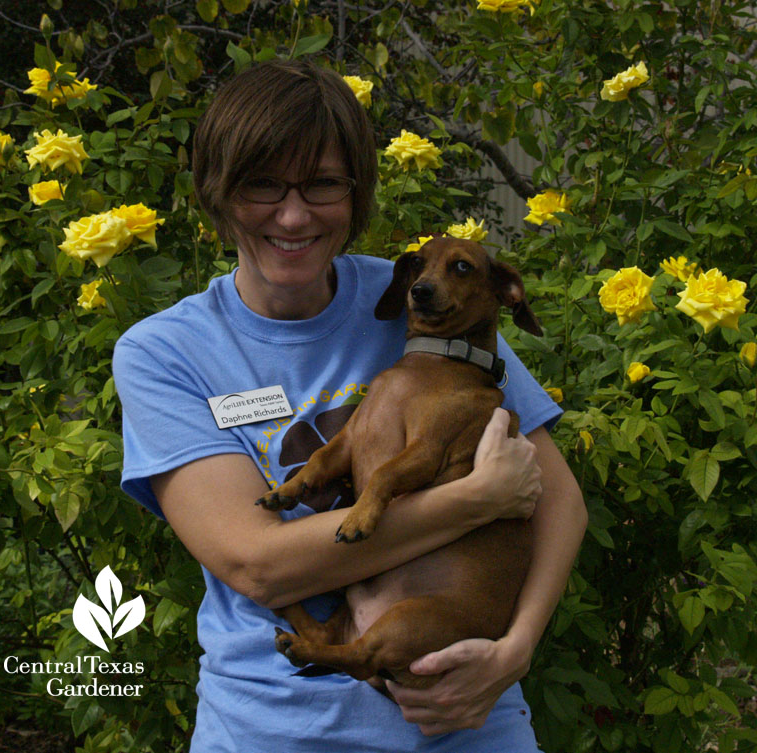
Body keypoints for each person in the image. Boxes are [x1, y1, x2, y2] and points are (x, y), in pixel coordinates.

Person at [113, 59, 586, 752]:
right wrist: (476, 498)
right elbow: (257, 563)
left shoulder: (422, 304)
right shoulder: (167, 351)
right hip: (273, 728)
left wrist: (513, 651)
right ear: (217, 191)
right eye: (262, 184)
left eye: (324, 184)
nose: (295, 213)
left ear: (357, 192)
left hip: (464, 720)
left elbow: (561, 500)